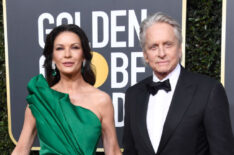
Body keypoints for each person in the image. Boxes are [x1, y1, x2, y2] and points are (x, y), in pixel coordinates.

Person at [123, 12, 234, 155]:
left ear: (180, 48)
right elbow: (130, 151)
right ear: (145, 54)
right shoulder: (133, 95)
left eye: (168, 45)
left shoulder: (208, 90)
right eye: (153, 47)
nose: (161, 53)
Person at [12, 24, 122, 155]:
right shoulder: (40, 100)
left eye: (75, 47)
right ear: (52, 56)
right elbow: (21, 150)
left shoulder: (102, 100)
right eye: (59, 48)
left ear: (84, 55)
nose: (67, 54)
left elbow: (113, 151)